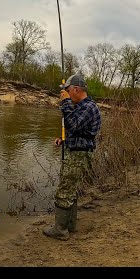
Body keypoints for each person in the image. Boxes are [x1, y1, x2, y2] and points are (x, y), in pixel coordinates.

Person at [43, 74, 102, 241]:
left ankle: (60, 230)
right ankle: (70, 225)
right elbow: (78, 130)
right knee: (71, 189)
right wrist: (64, 139)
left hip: (79, 155)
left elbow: (72, 124)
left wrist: (66, 102)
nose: (66, 94)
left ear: (76, 89)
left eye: (68, 91)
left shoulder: (88, 107)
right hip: (77, 151)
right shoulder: (83, 106)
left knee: (64, 190)